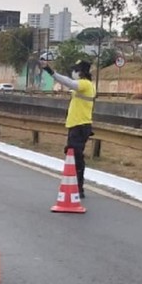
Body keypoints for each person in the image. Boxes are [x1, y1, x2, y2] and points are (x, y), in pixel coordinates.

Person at [39, 58, 96, 198]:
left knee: (76, 156)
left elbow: (68, 82)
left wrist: (49, 70)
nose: (73, 73)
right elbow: (68, 83)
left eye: (75, 70)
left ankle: (78, 188)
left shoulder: (85, 84)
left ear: (81, 72)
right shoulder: (84, 86)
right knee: (74, 155)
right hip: (77, 126)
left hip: (79, 126)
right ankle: (75, 186)